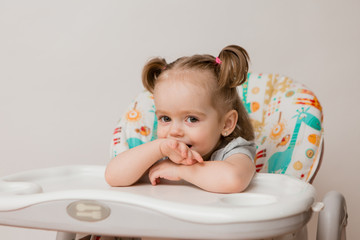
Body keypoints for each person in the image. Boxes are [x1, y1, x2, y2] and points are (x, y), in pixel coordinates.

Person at [105, 45, 256, 194]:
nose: (175, 131)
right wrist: (158, 149)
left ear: (226, 123)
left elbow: (233, 180)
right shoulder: (163, 150)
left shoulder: (233, 151)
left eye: (191, 119)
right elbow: (113, 176)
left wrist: (179, 170)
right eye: (165, 118)